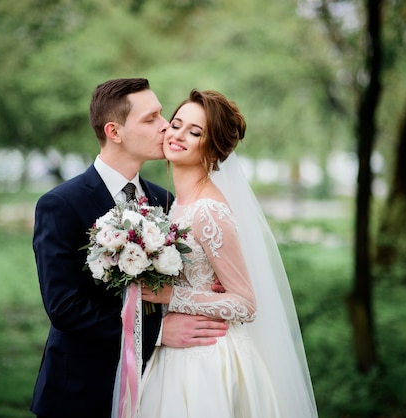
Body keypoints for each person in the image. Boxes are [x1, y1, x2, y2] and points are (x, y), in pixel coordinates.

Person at [30, 79, 230, 418]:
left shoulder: (164, 201)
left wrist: (207, 284)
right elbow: (64, 307)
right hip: (82, 389)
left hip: (158, 387)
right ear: (115, 131)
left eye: (162, 115)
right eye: (151, 118)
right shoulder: (62, 204)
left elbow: (174, 281)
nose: (166, 126)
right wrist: (156, 332)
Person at [138, 89, 318, 417]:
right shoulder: (175, 204)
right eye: (176, 124)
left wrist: (170, 297)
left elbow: (245, 303)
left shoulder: (208, 211)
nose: (177, 135)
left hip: (206, 360)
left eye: (194, 132)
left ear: (213, 147)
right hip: (175, 350)